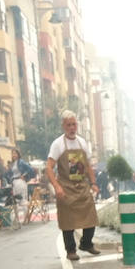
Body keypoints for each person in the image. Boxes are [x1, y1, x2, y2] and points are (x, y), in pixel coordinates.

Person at [46, 110, 100, 260]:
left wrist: (93, 183)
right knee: (67, 221)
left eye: (74, 124)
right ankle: (71, 250)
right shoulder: (57, 144)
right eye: (69, 125)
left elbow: (88, 166)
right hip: (66, 187)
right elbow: (49, 167)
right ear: (64, 126)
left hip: (82, 186)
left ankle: (86, 243)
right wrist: (57, 187)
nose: (72, 128)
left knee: (91, 216)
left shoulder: (82, 143)